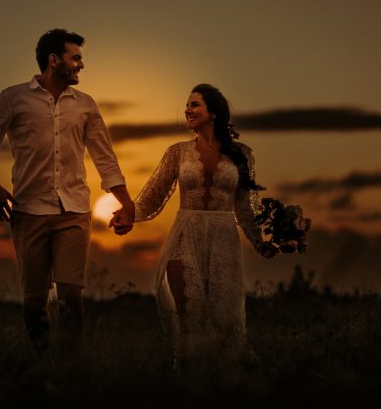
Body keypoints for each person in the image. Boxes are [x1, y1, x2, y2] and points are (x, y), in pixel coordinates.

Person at [0, 28, 135, 352]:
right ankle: (44, 362)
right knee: (34, 305)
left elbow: (105, 157)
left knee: (72, 297)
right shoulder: (13, 98)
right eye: (76, 58)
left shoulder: (86, 106)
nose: (81, 65)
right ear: (54, 60)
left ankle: (71, 369)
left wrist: (127, 204)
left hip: (74, 211)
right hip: (28, 211)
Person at [112, 84, 277, 367]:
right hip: (185, 235)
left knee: (225, 321)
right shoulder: (177, 152)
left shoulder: (243, 154)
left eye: (195, 105)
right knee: (191, 319)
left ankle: (226, 383)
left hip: (223, 240)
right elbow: (152, 197)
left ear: (213, 112)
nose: (187, 110)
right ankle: (187, 378)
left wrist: (261, 243)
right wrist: (128, 214)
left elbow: (244, 208)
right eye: (187, 105)